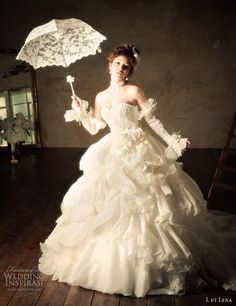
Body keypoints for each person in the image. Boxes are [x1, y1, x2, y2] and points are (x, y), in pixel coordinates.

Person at [38, 44, 236, 297]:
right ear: (109, 64)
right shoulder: (100, 97)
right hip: (112, 150)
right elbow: (95, 128)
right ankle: (111, 266)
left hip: (140, 150)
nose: (121, 68)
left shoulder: (134, 90)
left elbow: (152, 120)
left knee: (151, 206)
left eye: (126, 66)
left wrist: (172, 141)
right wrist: (81, 111)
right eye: (118, 63)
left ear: (130, 71)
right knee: (110, 205)